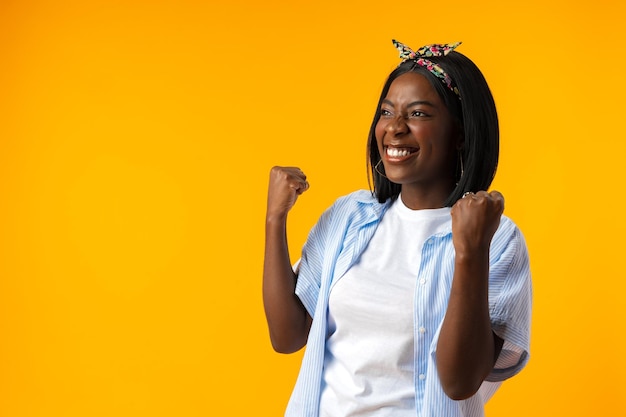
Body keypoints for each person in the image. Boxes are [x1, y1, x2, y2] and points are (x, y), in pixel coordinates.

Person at [263, 39, 532, 417]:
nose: (395, 128)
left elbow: (459, 383)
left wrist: (471, 251)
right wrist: (276, 220)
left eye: (418, 114)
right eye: (387, 112)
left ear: (460, 134)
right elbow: (288, 335)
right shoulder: (348, 216)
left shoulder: (499, 240)